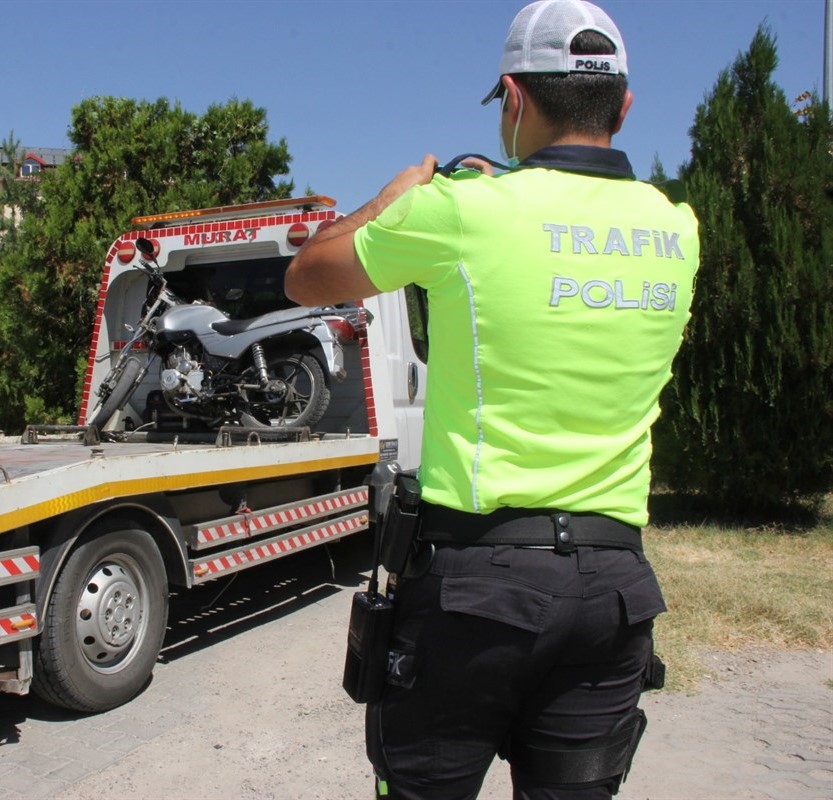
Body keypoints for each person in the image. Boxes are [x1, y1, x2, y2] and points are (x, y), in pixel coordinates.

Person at [284, 1, 699, 798]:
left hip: (477, 590)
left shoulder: (459, 213)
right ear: (623, 104)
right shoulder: (675, 227)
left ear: (512, 97)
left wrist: (392, 199)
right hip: (612, 592)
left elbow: (307, 273)